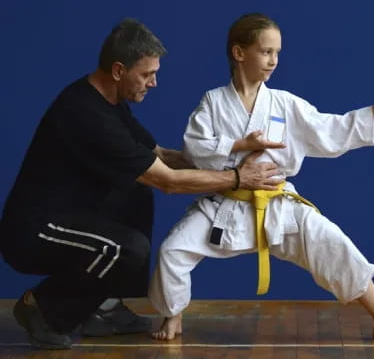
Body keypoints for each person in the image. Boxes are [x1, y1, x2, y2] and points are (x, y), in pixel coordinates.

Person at [0, 18, 283, 350]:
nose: (154, 83)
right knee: (124, 247)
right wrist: (238, 177)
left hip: (72, 216)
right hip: (34, 231)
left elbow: (161, 156)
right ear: (119, 71)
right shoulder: (87, 114)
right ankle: (41, 308)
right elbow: (168, 181)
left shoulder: (111, 103)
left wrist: (228, 152)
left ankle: (102, 307)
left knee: (135, 194)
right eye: (147, 74)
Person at [148, 13, 374, 341]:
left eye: (277, 53)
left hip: (276, 203)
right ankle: (173, 316)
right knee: (172, 252)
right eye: (266, 51)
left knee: (334, 244)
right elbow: (194, 148)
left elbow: (327, 129)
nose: (273, 60)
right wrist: (242, 144)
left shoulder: (284, 103)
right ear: (239, 53)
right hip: (224, 204)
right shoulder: (213, 102)